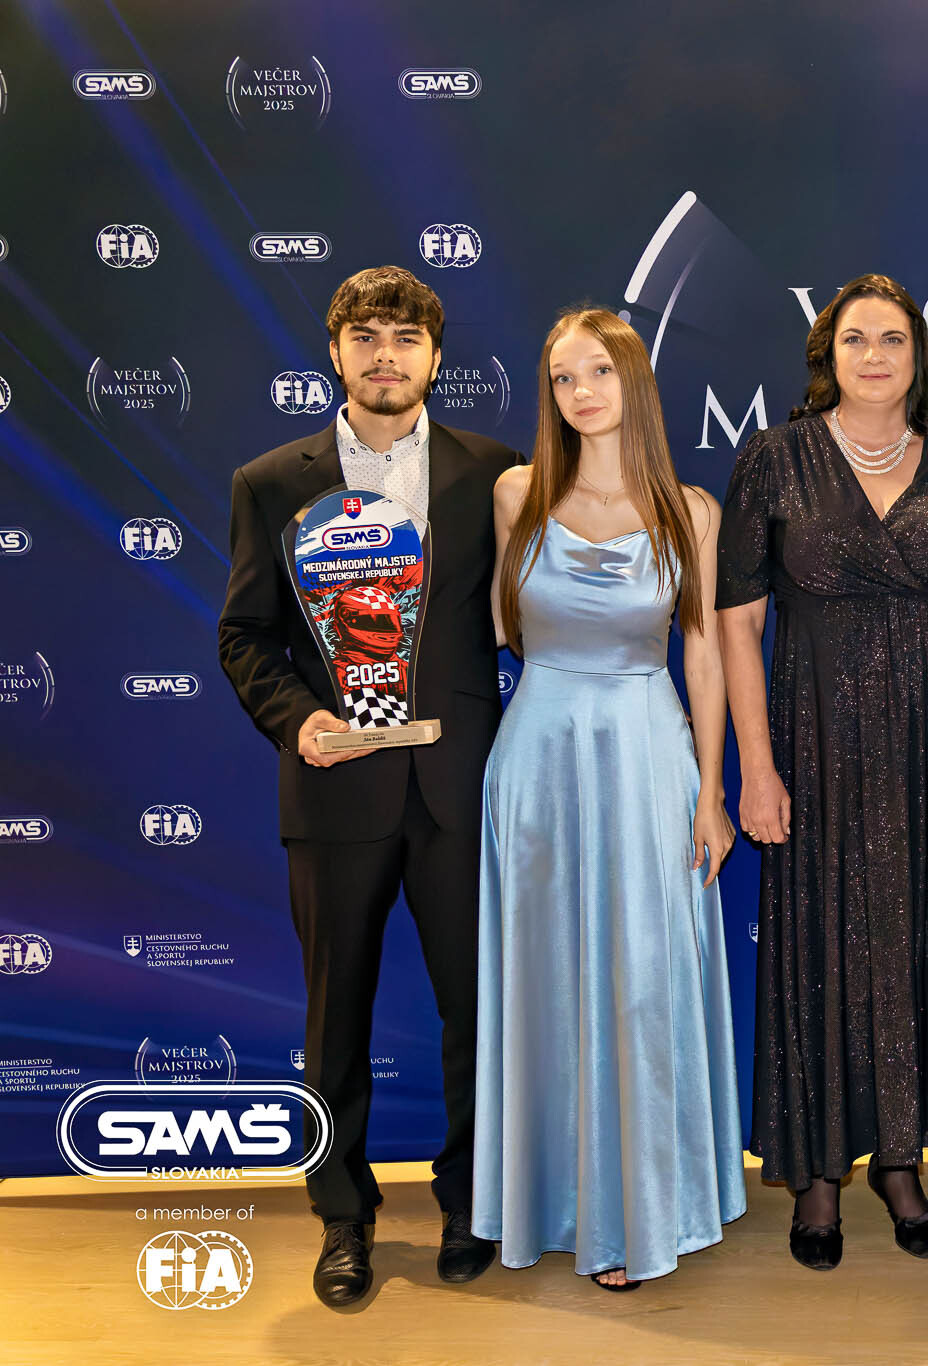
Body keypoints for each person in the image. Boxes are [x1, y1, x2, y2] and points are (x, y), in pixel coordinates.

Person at [218, 266, 512, 1307]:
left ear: (436, 356)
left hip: (459, 788)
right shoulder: (270, 481)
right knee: (333, 1019)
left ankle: (473, 1202)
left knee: (477, 1013)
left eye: (406, 338)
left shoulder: (496, 473)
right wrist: (301, 722)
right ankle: (342, 1215)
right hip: (335, 792)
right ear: (337, 351)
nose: (386, 355)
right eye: (367, 337)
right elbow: (245, 635)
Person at [716, 274, 928, 1273]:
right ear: (825, 356)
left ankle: (901, 1162)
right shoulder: (774, 458)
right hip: (816, 744)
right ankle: (818, 1176)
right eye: (854, 339)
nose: (873, 356)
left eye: (892, 339)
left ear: (920, 357)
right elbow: (737, 625)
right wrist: (755, 766)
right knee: (821, 947)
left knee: (922, 943)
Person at [472, 308, 744, 1290]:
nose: (581, 391)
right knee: (546, 982)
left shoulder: (692, 510)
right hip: (538, 757)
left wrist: (712, 793)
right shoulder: (515, 495)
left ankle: (639, 1211)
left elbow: (704, 654)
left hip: (645, 752)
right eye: (562, 377)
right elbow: (501, 627)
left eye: (598, 370)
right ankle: (553, 1203)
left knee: (640, 980)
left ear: (635, 380)